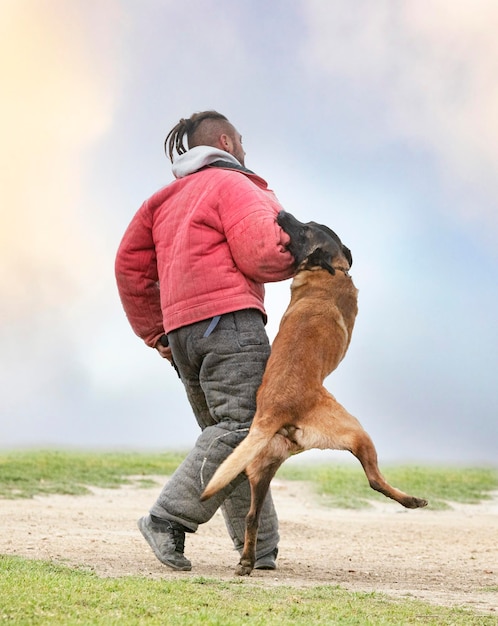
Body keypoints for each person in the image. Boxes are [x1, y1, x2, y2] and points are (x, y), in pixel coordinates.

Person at [115, 110, 295, 571]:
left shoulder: (162, 200)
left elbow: (129, 266)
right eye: (242, 141)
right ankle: (167, 519)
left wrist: (156, 331)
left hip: (184, 335)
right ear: (225, 141)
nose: (245, 150)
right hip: (230, 323)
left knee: (232, 437)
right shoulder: (232, 184)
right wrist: (308, 251)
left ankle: (260, 549)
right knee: (243, 432)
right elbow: (262, 252)